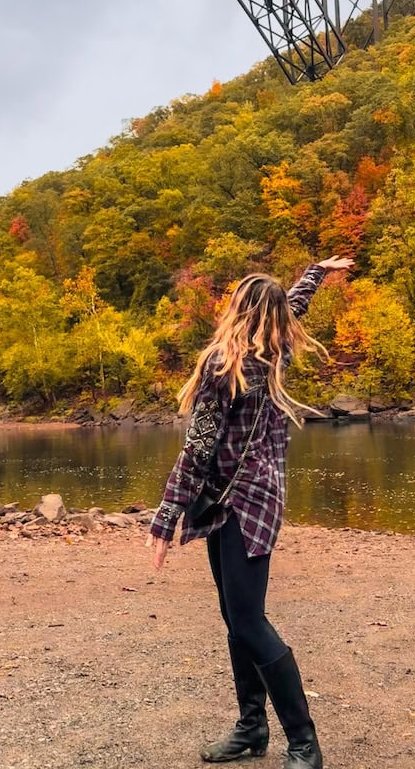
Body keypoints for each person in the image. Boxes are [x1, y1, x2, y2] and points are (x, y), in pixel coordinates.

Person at [147, 256, 354, 769]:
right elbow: (295, 306)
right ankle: (251, 728)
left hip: (245, 503)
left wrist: (165, 517)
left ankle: (304, 743)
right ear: (273, 318)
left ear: (237, 310)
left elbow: (196, 449)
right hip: (230, 501)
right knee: (235, 619)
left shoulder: (226, 365)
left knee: (248, 620)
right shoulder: (272, 349)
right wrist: (317, 272)